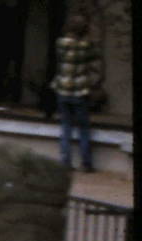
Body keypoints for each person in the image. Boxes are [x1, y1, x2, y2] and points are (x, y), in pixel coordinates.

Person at [52, 13, 102, 172]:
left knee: (65, 126)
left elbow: (59, 58)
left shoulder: (60, 43)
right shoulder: (87, 46)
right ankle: (86, 163)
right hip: (80, 91)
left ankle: (65, 161)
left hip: (63, 88)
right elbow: (96, 55)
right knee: (83, 128)